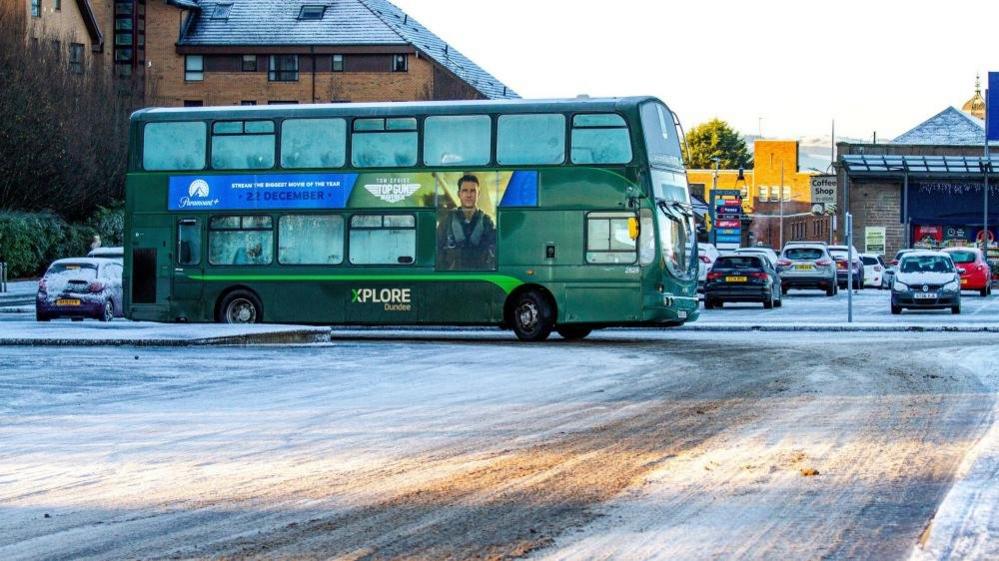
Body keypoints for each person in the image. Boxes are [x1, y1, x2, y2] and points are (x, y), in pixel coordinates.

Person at [437, 175, 496, 270]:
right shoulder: (447, 221)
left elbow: (494, 251)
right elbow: (438, 250)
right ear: (459, 194)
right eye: (465, 191)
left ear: (478, 194)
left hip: (480, 278)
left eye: (473, 191)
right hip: (453, 278)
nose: (469, 195)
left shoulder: (486, 222)